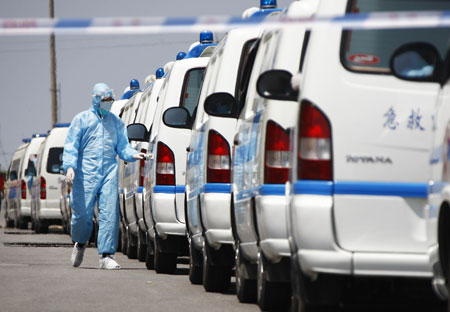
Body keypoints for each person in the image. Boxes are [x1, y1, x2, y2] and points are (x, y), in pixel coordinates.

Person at [62, 82, 144, 270]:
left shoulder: (116, 122)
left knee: (109, 214)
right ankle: (80, 242)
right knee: (82, 215)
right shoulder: (81, 120)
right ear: (96, 99)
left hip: (108, 173)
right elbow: (71, 146)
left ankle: (106, 255)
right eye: (105, 100)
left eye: (110, 100)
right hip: (85, 174)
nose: (108, 104)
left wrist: (133, 154)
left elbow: (122, 146)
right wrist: (69, 167)